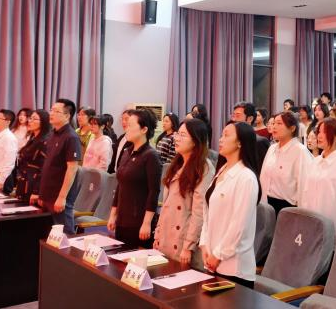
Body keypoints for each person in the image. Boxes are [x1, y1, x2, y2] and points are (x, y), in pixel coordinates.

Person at [200, 121, 260, 288]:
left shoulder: (246, 177)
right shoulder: (222, 170)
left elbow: (239, 225)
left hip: (234, 267)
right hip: (211, 259)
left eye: (226, 135)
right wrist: (204, 245)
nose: (220, 139)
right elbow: (207, 213)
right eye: (221, 135)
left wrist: (218, 255)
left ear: (240, 142)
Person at [154, 119, 214, 268]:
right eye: (177, 134)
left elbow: (199, 211)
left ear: (195, 141)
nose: (177, 138)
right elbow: (166, 205)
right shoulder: (177, 164)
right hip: (166, 235)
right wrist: (158, 234)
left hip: (182, 239)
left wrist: (188, 246)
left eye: (183, 135)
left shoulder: (203, 168)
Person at [108, 109, 163, 248]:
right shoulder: (127, 152)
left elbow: (154, 192)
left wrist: (147, 223)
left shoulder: (151, 156)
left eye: (131, 125)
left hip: (138, 221)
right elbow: (120, 185)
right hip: (122, 218)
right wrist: (113, 214)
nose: (126, 128)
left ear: (144, 129)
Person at [32, 99, 81, 234]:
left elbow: (72, 169)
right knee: (49, 236)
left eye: (56, 111)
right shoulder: (52, 134)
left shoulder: (71, 137)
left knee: (64, 235)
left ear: (67, 116)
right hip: (47, 194)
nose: (51, 113)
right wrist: (41, 193)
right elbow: (48, 166)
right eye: (51, 110)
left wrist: (62, 197)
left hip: (60, 195)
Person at [300, 117, 336, 226]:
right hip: (311, 225)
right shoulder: (315, 162)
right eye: (319, 132)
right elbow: (306, 195)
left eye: (325, 132)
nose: (319, 136)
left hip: (333, 226)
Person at [260, 112, 312, 215]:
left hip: (288, 208)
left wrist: (302, 214)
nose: (274, 127)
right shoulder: (272, 148)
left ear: (292, 128)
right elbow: (263, 177)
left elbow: (304, 187)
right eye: (273, 123)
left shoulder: (300, 151)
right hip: (267, 204)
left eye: (279, 123)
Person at [16, 110, 51, 203]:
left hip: (34, 184)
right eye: (30, 118)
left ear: (43, 122)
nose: (30, 121)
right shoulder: (33, 138)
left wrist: (36, 191)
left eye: (34, 119)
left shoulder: (45, 141)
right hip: (24, 181)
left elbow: (44, 168)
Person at [230, 102, 270, 170]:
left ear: (250, 119)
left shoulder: (259, 142)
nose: (234, 119)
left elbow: (261, 169)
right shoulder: (230, 140)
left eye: (238, 115)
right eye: (233, 116)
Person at [108, 110, 132, 174]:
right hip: (115, 173)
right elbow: (115, 156)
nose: (123, 122)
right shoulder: (122, 137)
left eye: (126, 119)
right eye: (122, 119)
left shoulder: (133, 140)